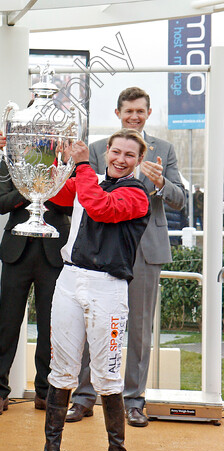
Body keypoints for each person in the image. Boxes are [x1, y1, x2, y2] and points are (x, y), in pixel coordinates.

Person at [66, 87, 186, 428]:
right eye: (128, 111)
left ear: (148, 114)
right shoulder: (97, 149)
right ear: (118, 113)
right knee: (93, 323)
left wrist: (161, 183)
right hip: (101, 251)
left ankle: (134, 401)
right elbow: (82, 194)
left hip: (145, 252)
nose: (134, 116)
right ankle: (85, 397)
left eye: (140, 111)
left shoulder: (165, 149)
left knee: (139, 329)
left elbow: (179, 200)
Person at [43, 130, 150, 451]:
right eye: (116, 151)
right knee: (62, 369)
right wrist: (49, 159)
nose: (120, 158)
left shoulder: (137, 193)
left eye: (129, 155)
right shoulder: (89, 179)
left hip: (109, 288)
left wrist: (83, 165)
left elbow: (101, 209)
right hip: (71, 281)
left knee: (107, 375)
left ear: (138, 161)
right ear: (107, 151)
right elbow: (54, 195)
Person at [0, 130, 71, 416]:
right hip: (16, 253)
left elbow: (70, 204)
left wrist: (47, 185)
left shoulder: (65, 162)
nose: (41, 135)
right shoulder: (12, 161)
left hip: (53, 253)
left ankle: (44, 391)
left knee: (50, 327)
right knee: (8, 324)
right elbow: (1, 203)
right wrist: (29, 190)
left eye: (46, 130)